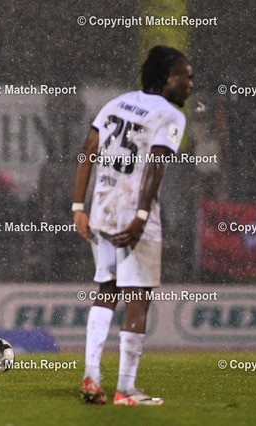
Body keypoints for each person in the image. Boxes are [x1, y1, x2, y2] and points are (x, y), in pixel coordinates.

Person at [73, 45, 193, 406]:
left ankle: (91, 376)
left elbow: (88, 149)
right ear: (168, 78)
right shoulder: (170, 115)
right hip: (134, 214)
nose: (190, 84)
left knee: (106, 289)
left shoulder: (116, 103)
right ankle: (126, 389)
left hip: (102, 208)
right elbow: (156, 165)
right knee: (138, 298)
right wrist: (141, 216)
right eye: (186, 77)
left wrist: (79, 207)